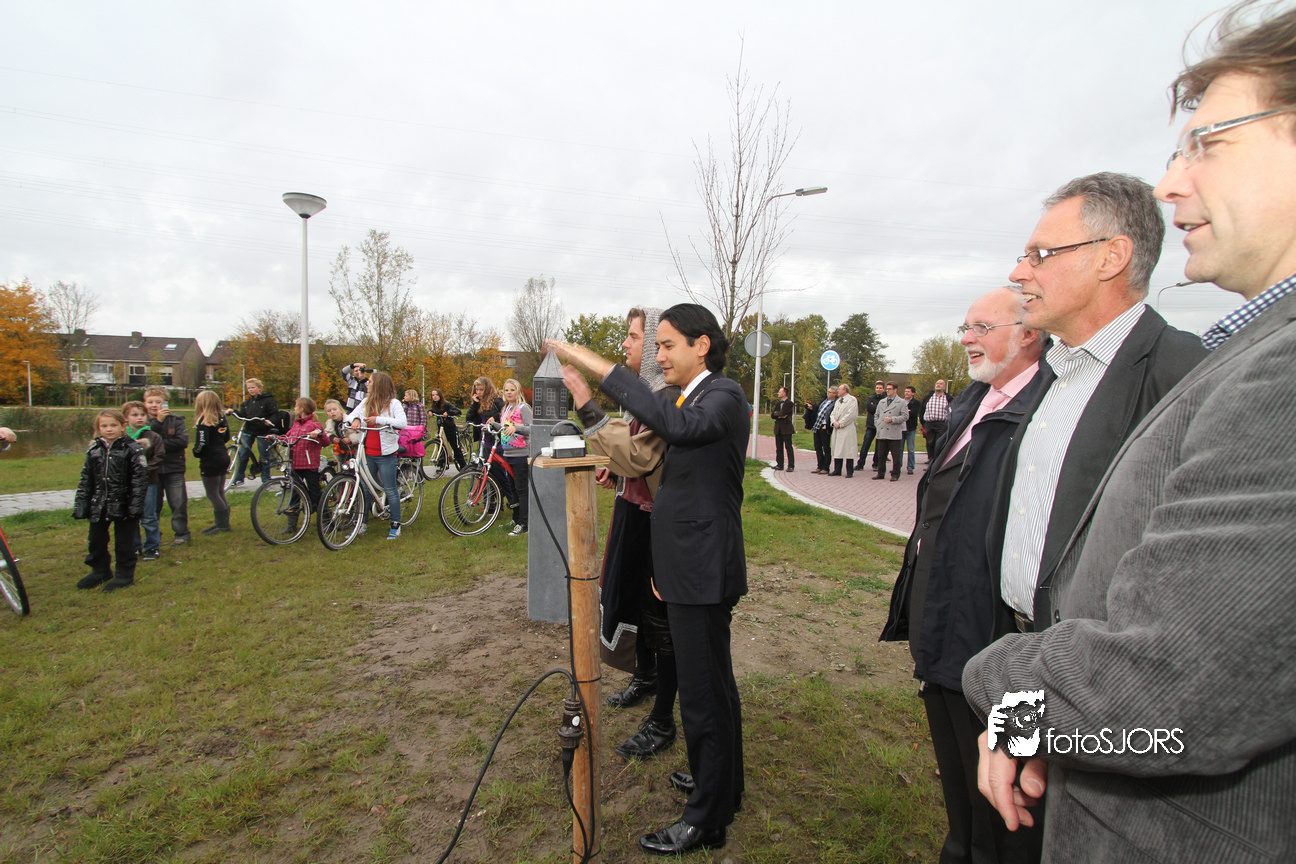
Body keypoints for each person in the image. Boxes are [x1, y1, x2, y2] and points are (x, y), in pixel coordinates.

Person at [964, 7, 1296, 860]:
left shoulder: (1276, 375)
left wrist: (998, 680)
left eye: (1207, 144)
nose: (1173, 184)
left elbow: (1170, 689)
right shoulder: (1247, 350)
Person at [550, 302, 747, 856]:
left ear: (701, 345)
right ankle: (722, 785)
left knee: (704, 697)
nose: (658, 357)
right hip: (688, 565)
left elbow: (678, 428)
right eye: (654, 345)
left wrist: (593, 364)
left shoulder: (722, 396)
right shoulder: (686, 398)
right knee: (714, 688)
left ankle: (706, 819)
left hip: (702, 570)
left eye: (666, 345)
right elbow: (642, 461)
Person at [991, 171, 1207, 635]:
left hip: (1098, 660)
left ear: (1111, 257)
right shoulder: (1057, 370)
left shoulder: (1188, 377)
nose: (1018, 273)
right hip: (1020, 640)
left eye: (1041, 255)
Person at [881, 287, 1047, 864]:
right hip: (941, 616)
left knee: (1005, 801)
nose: (966, 339)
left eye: (981, 327)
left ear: (1029, 333)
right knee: (958, 777)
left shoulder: (1048, 408)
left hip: (994, 633)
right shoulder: (975, 399)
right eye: (965, 326)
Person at [572, 307, 682, 762]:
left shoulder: (670, 398)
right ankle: (646, 674)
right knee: (635, 601)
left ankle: (662, 717)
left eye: (636, 337)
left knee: (661, 616)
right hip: (635, 511)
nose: (626, 344)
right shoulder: (649, 395)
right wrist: (616, 473)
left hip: (658, 522)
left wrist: (586, 403)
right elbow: (636, 460)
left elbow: (643, 456)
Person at [73, 409, 148, 593]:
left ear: (123, 426)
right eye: (104, 426)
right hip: (99, 503)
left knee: (124, 542)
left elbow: (139, 481)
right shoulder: (94, 450)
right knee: (95, 540)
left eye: (113, 425)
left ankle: (124, 575)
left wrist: (135, 506)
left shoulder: (133, 449)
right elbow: (86, 479)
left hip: (124, 503)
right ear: (98, 428)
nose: (109, 429)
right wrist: (82, 504)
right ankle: (100, 570)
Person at [346, 371, 407, 540]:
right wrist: (355, 420)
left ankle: (395, 524)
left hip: (385, 454)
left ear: (379, 385)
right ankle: (361, 523)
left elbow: (402, 423)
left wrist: (379, 420)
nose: (367, 384)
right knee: (365, 489)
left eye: (371, 381)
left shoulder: (393, 404)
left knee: (390, 490)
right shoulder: (366, 401)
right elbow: (351, 415)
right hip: (367, 453)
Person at [144, 386, 189, 545]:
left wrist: (158, 445)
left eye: (158, 402)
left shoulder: (176, 420)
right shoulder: (144, 423)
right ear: (145, 403)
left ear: (165, 403)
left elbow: (182, 441)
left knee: (178, 503)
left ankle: (182, 534)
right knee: (152, 506)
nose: (154, 405)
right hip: (152, 470)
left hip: (173, 468)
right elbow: (145, 442)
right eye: (150, 402)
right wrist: (158, 423)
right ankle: (153, 536)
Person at [122, 401, 164, 561]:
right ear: (126, 418)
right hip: (127, 482)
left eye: (142, 415)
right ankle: (134, 547)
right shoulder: (122, 437)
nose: (139, 418)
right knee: (131, 515)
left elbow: (159, 456)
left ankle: (152, 547)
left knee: (149, 516)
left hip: (148, 481)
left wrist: (144, 470)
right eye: (134, 415)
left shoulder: (153, 436)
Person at [192, 391, 232, 536]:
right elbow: (226, 437)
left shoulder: (204, 421)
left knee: (212, 493)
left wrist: (196, 452)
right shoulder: (222, 418)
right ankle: (223, 522)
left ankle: (222, 525)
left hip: (210, 459)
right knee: (220, 491)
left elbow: (202, 443)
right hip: (223, 456)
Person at [227, 378, 278, 488]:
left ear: (259, 388)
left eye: (253, 387)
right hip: (249, 430)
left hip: (262, 431)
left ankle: (265, 479)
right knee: (243, 454)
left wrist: (270, 421)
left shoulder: (268, 401)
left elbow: (275, 414)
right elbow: (243, 415)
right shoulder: (247, 403)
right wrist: (233, 412)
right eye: (249, 388)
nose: (250, 390)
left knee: (264, 455)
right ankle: (238, 478)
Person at [498, 378, 532, 537]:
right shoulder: (506, 408)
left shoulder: (523, 408)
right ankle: (516, 518)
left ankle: (525, 523)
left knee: (522, 489)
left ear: (518, 391)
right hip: (508, 454)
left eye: (512, 389)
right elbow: (505, 428)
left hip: (521, 454)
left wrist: (516, 428)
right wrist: (492, 425)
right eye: (506, 390)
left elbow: (531, 428)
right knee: (513, 490)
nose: (509, 393)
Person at [286, 396, 325, 513]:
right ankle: (292, 518)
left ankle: (324, 515)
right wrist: (275, 438)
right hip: (295, 463)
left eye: (296, 406)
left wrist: (318, 434)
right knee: (295, 491)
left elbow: (325, 440)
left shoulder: (313, 424)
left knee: (314, 492)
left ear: (302, 409)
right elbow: (288, 438)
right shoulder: (296, 424)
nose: (294, 408)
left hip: (309, 464)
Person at [872, 382, 907, 481]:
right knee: (881, 455)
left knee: (895, 456)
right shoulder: (882, 402)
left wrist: (893, 419)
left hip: (894, 432)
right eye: (887, 389)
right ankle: (880, 473)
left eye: (890, 389)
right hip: (882, 432)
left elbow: (905, 416)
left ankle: (895, 474)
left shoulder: (901, 402)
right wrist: (878, 424)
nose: (887, 391)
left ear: (895, 390)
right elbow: (876, 415)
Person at [427, 388, 466, 469]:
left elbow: (458, 411)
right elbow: (434, 411)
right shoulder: (435, 405)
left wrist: (448, 413)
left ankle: (463, 467)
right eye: (433, 395)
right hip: (441, 428)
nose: (434, 397)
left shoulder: (446, 404)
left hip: (450, 428)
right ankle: (442, 464)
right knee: (442, 446)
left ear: (440, 396)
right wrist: (430, 411)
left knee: (456, 447)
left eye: (436, 395)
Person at [828, 382, 858, 477]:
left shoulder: (852, 400)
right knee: (837, 450)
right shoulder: (838, 401)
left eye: (839, 389)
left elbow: (851, 414)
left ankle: (849, 471)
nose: (838, 390)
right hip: (837, 428)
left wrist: (840, 423)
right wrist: (834, 422)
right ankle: (837, 470)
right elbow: (832, 413)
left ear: (845, 390)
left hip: (847, 428)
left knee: (848, 450)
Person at [855, 380, 885, 472]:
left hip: (881, 426)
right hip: (871, 425)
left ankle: (876, 464)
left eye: (880, 388)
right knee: (865, 445)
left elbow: (884, 410)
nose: (878, 389)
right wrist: (878, 408)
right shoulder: (871, 398)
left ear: (883, 389)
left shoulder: (885, 399)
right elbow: (869, 408)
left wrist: (876, 407)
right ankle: (860, 464)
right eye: (877, 388)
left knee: (879, 447)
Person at [808, 386, 837, 473]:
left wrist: (827, 425)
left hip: (825, 427)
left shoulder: (835, 403)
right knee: (817, 447)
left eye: (830, 392)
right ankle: (819, 466)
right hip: (817, 425)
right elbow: (819, 410)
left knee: (826, 447)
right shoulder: (825, 401)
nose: (828, 393)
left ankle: (826, 467)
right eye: (828, 392)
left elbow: (832, 414)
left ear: (835, 394)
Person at [920, 379, 950, 459]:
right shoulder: (928, 397)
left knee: (940, 442)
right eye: (937, 383)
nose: (938, 385)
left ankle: (938, 460)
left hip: (941, 424)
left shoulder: (948, 398)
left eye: (941, 384)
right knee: (930, 443)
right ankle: (930, 460)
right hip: (929, 423)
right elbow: (922, 409)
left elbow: (952, 410)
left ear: (944, 387)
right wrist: (923, 423)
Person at [770, 386, 796, 472]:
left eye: (779, 392)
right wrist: (779, 414)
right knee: (779, 447)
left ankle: (791, 466)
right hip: (778, 428)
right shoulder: (778, 404)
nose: (778, 393)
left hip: (786, 428)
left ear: (784, 393)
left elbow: (784, 413)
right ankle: (779, 464)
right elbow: (773, 415)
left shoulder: (789, 403)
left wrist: (779, 414)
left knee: (788, 447)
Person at [902, 385, 921, 474]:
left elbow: (913, 413)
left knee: (911, 449)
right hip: (901, 428)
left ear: (913, 393)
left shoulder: (916, 403)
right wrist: (907, 411)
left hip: (911, 428)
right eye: (905, 391)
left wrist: (906, 412)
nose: (906, 393)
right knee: (899, 449)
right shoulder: (901, 402)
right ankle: (897, 466)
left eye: (908, 391)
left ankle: (910, 467)